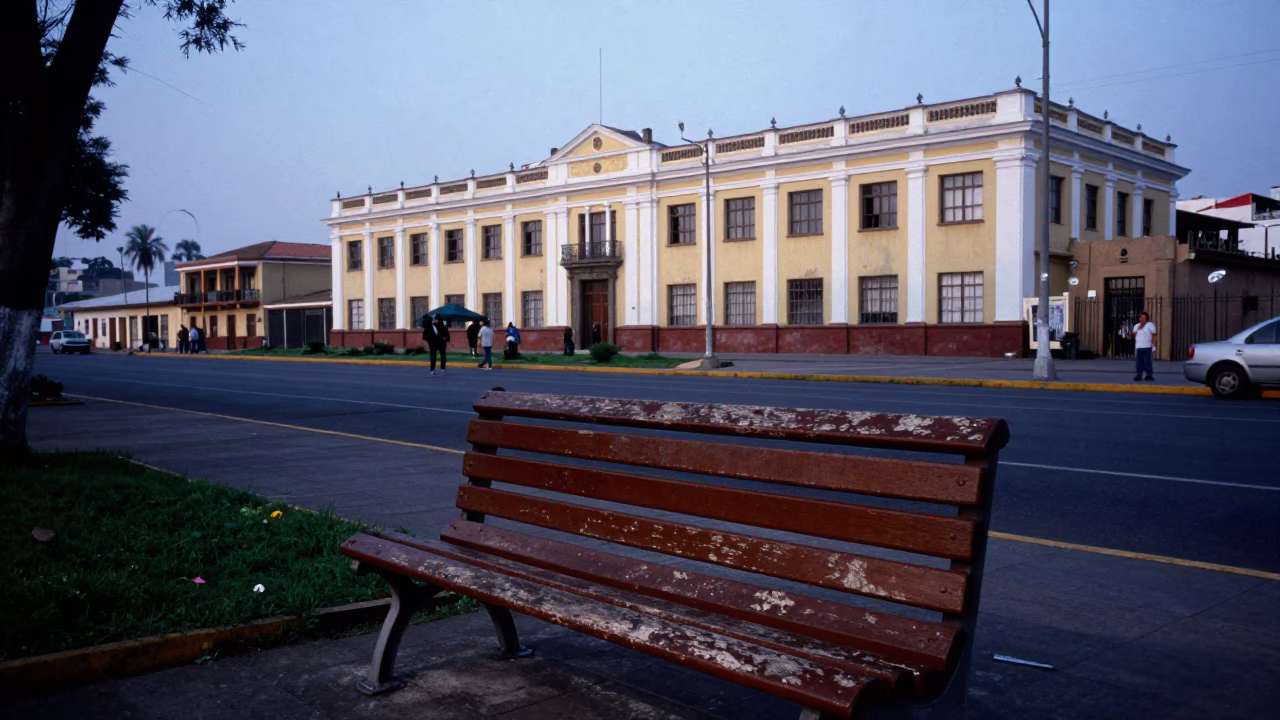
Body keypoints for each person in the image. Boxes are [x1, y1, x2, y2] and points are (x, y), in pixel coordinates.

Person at [1132, 311, 1157, 382]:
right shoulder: (1136, 326)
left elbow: (1154, 335)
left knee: (1147, 361)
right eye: (1140, 317)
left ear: (1146, 318)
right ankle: (1139, 375)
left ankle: (1149, 375)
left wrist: (1153, 345)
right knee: (1138, 362)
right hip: (1139, 347)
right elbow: (1133, 335)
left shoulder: (1150, 325)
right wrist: (1138, 329)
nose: (1141, 319)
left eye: (1143, 317)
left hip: (1147, 346)